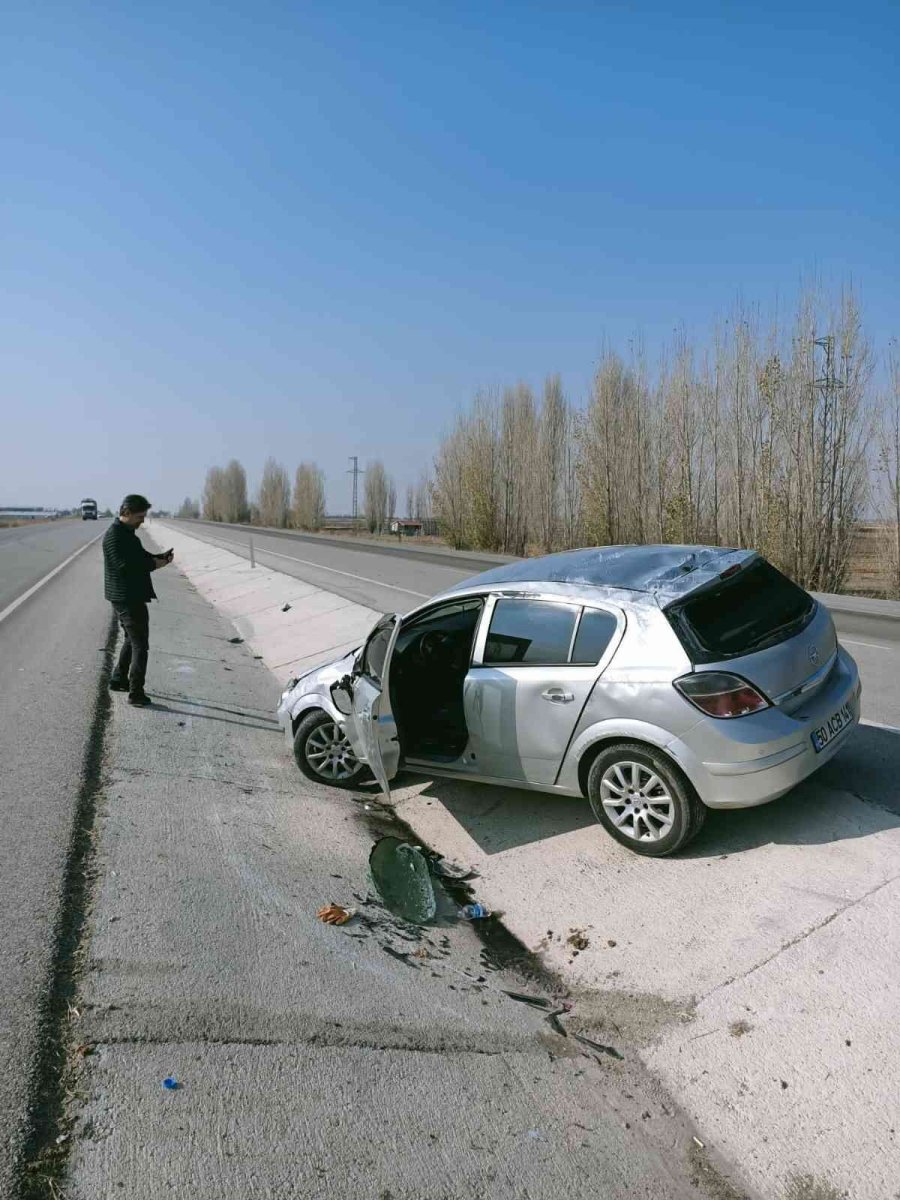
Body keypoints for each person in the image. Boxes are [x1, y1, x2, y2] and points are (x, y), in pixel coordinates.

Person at [103, 494, 173, 706]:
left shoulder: (127, 534)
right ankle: (136, 693)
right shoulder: (114, 536)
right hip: (126, 598)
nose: (142, 521)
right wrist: (154, 564)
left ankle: (118, 679)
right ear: (126, 513)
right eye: (139, 517)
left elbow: (141, 556)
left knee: (131, 640)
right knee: (140, 645)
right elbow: (125, 567)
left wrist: (160, 558)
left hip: (130, 596)